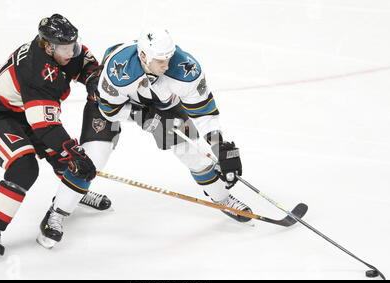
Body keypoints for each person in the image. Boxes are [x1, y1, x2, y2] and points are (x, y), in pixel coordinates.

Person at [45, 27, 252, 248]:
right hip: (110, 104)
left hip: (162, 106)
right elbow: (109, 110)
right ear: (143, 56)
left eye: (169, 58)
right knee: (93, 158)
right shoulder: (119, 68)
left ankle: (223, 200)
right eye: (161, 61)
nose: (167, 66)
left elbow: (204, 111)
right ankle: (57, 212)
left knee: (194, 155)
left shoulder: (186, 69)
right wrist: (140, 115)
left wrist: (222, 148)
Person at [0, 14, 109, 262]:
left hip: (24, 110)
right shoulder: (37, 71)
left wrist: (93, 77)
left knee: (66, 159)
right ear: (46, 45)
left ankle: (74, 193)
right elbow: (46, 127)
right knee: (24, 166)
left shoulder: (62, 49)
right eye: (65, 47)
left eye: (72, 44)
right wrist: (74, 151)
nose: (71, 51)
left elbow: (84, 62)